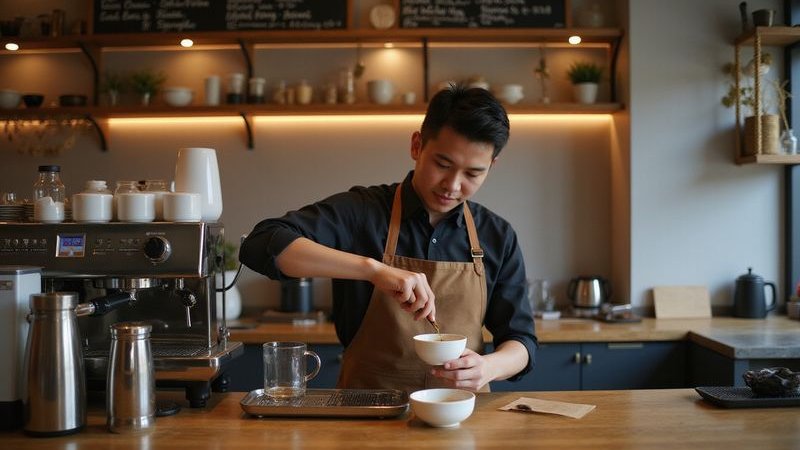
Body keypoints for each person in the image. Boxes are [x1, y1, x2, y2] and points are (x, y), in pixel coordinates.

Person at [239, 85, 537, 393]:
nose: (452, 185)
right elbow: (262, 242)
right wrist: (372, 269)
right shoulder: (362, 212)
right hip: (366, 415)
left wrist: (489, 367)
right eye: (442, 164)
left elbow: (521, 341)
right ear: (417, 145)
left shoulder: (496, 234)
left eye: (473, 174)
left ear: (492, 166)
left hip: (462, 416)